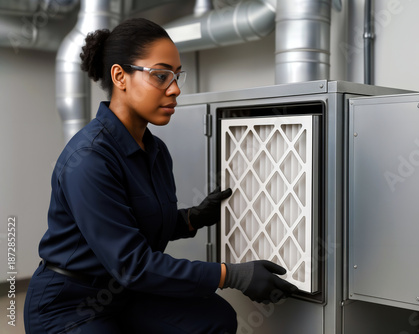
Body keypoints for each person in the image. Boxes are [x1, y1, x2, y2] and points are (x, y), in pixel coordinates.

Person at [24, 17, 297, 334]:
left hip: (124, 292)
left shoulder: (155, 151)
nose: (176, 88)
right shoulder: (89, 159)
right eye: (161, 75)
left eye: (177, 76)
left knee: (214, 319)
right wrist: (231, 274)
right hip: (70, 304)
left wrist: (192, 218)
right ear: (120, 76)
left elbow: (139, 223)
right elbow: (132, 263)